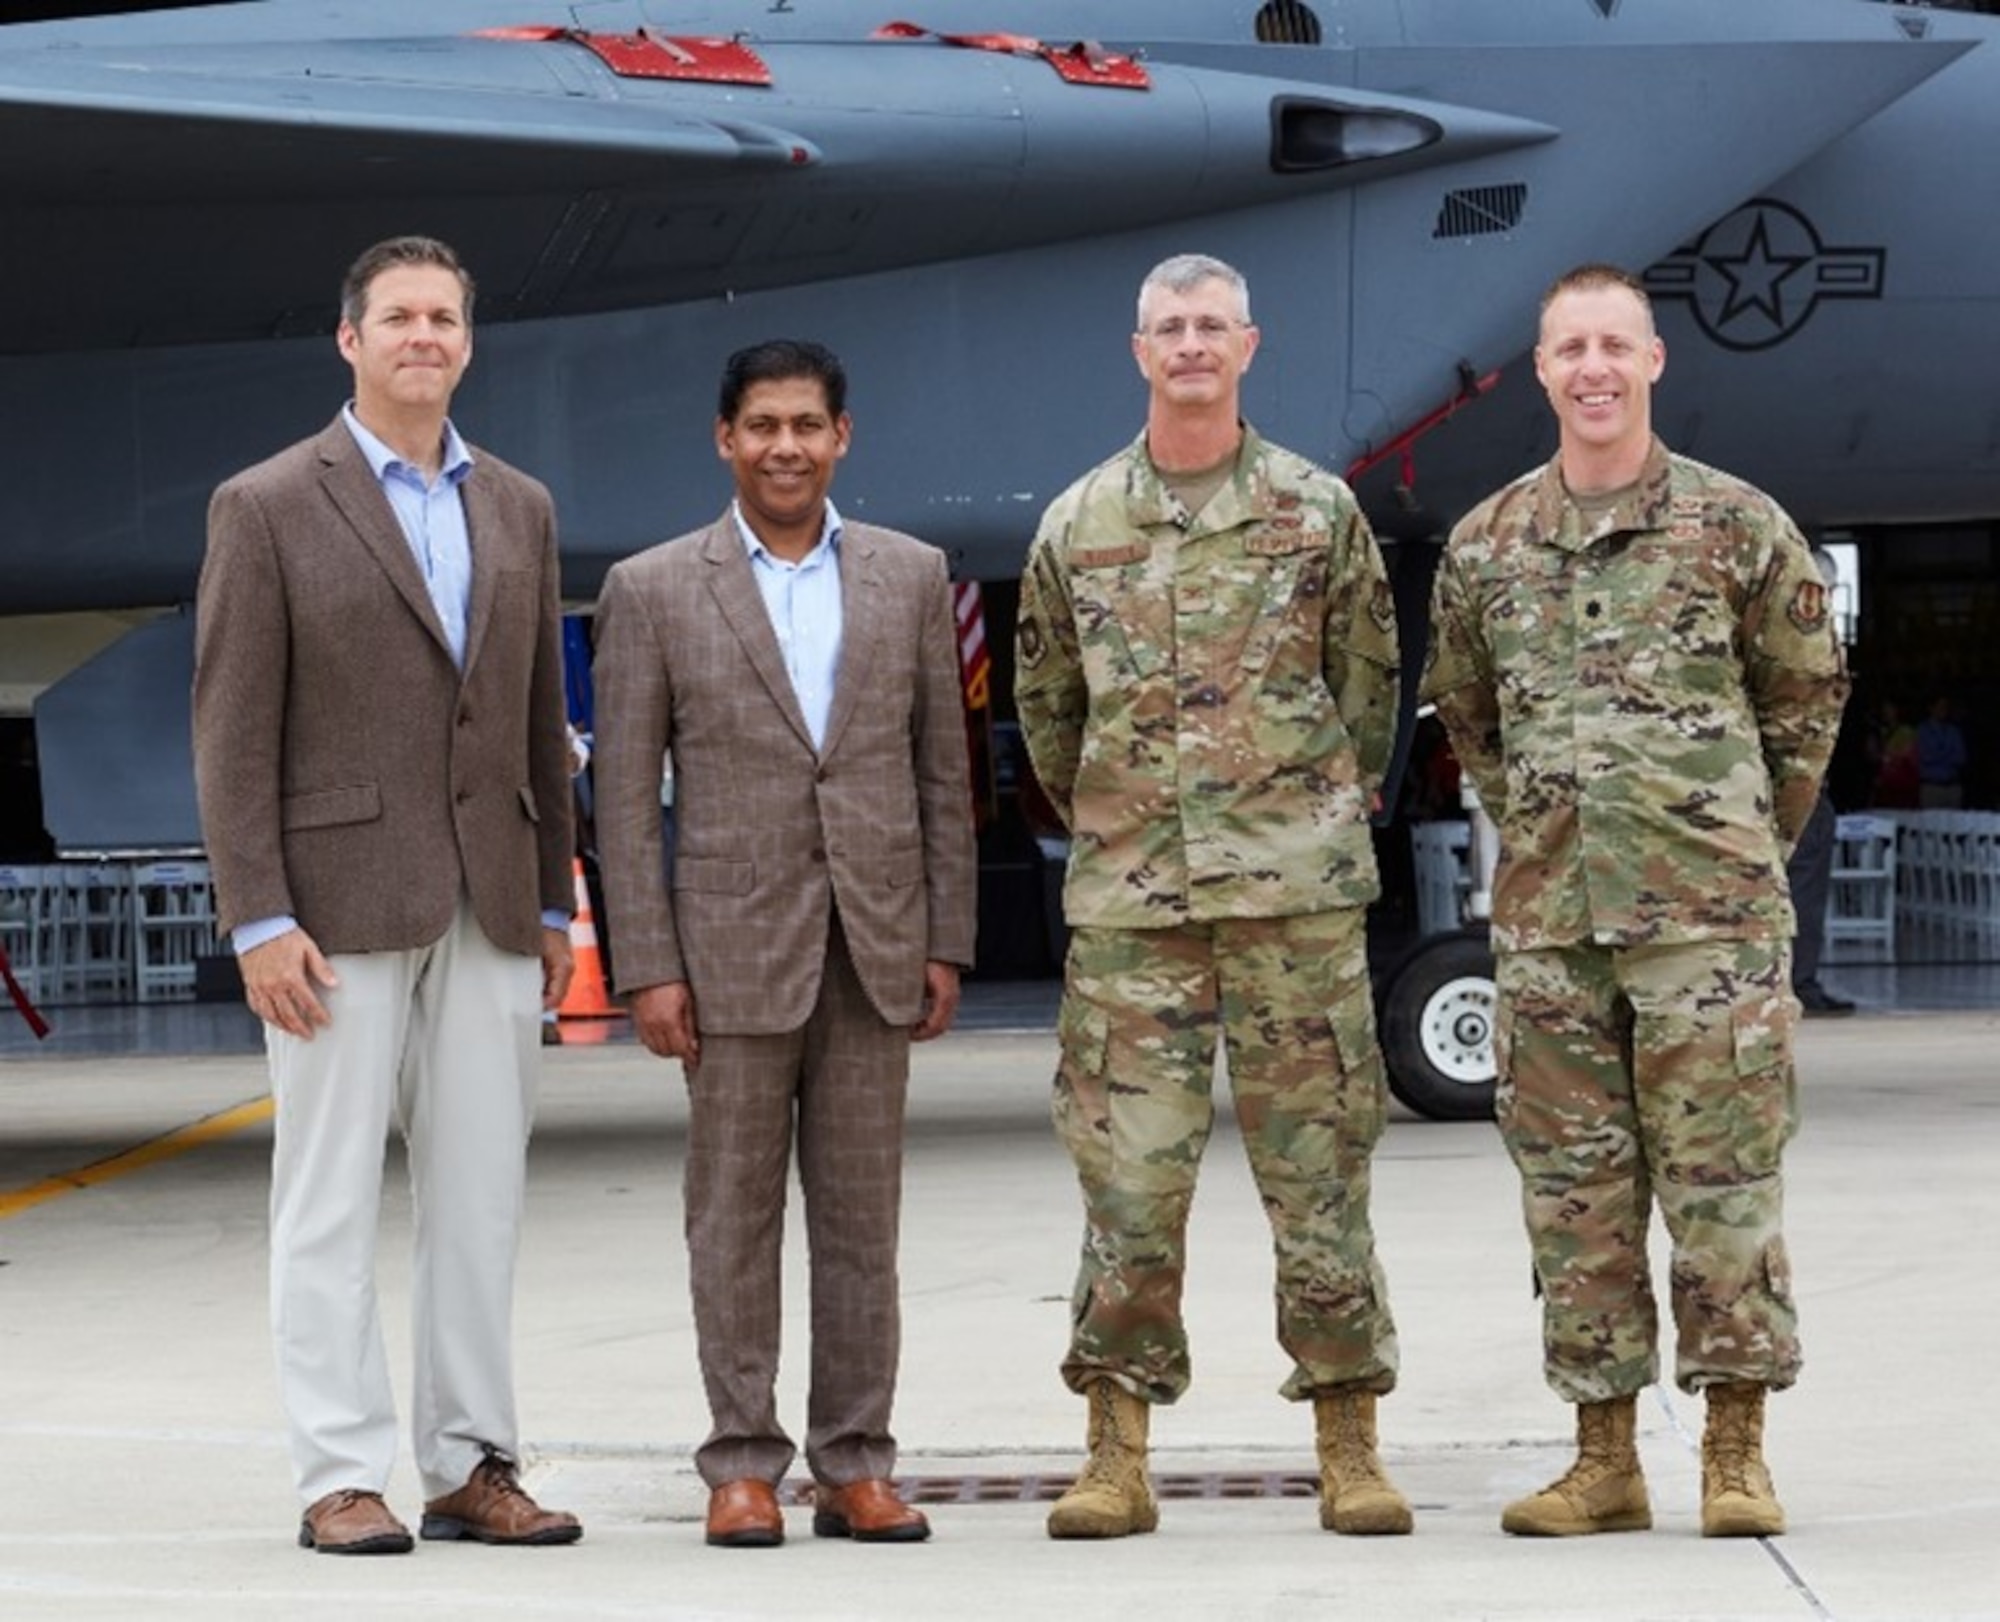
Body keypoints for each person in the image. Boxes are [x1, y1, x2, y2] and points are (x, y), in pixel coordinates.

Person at [1423, 263, 1848, 1539]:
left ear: (1652, 361)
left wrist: (1726, 841)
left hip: (1706, 932)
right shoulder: (1487, 542)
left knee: (1721, 1190)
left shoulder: (1735, 526)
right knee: (1573, 1200)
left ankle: (1732, 1451)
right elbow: (1471, 720)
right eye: (1570, 348)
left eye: (1615, 344)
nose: (1593, 368)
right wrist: (1551, 834)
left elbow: (1804, 699)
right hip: (1553, 932)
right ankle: (1601, 1457)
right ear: (1540, 370)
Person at [192, 237, 583, 1553]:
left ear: (469, 342)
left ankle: (474, 1463)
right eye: (399, 316)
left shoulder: (519, 506)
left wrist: (554, 901)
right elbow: (232, 729)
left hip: (490, 901)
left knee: (479, 1200)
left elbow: (539, 719)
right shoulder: (266, 504)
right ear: (348, 339)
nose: (425, 334)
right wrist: (257, 914)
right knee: (328, 1199)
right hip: (329, 912)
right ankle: (338, 1473)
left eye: (446, 317)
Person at [1015, 253, 1410, 1541]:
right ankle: (1115, 1449)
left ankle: (1347, 1437)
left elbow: (1367, 692)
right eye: (1167, 327)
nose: (1189, 345)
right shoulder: (1078, 525)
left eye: (1210, 327)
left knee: (1321, 1177)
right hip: (1133, 914)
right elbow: (1046, 714)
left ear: (1249, 345)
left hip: (1294, 906)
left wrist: (1289, 819)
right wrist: (1130, 825)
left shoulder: (1315, 511)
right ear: (1138, 352)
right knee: (1127, 1186)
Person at [592, 339, 976, 1549]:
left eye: (806, 424)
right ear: (724, 438)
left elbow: (938, 773)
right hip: (727, 955)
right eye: (761, 425)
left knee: (863, 1225)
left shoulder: (911, 576)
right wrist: (647, 961)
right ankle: (741, 1462)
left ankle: (856, 1462)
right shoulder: (654, 587)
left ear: (842, 436)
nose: (785, 447)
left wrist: (945, 937)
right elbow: (622, 798)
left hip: (875, 946)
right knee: (732, 1221)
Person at [1916, 696, 1968, 808]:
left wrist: (1938, 754)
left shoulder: (1954, 730)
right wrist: (1948, 755)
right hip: (1931, 786)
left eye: (1945, 707)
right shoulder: (1922, 730)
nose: (1943, 709)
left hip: (1952, 786)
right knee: (1931, 824)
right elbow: (1925, 757)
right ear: (1931, 708)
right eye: (1940, 706)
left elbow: (1960, 758)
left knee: (1954, 823)